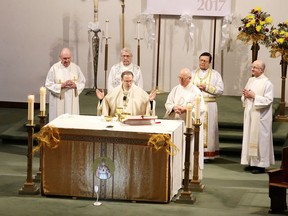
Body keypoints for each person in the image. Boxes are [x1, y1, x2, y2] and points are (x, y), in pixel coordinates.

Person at [164, 68, 206, 180]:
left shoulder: (196, 91)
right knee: (178, 148)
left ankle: (190, 175)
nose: (181, 80)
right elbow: (168, 103)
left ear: (190, 78)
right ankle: (177, 175)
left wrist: (186, 109)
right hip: (177, 124)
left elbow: (201, 109)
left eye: (184, 78)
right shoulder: (176, 89)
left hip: (189, 126)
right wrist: (174, 107)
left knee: (189, 149)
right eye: (180, 78)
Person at [241, 60, 274, 174]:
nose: (252, 69)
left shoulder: (267, 83)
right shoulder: (251, 80)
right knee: (250, 137)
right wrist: (245, 95)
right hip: (250, 114)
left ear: (261, 70)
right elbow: (246, 95)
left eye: (255, 67)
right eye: (252, 67)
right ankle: (252, 162)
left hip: (260, 117)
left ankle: (261, 164)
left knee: (261, 140)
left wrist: (254, 96)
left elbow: (269, 100)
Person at [191, 52, 224, 160]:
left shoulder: (215, 75)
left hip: (209, 105)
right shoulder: (192, 73)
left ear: (210, 62)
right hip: (196, 105)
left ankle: (208, 154)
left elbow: (220, 90)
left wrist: (206, 87)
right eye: (201, 60)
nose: (202, 62)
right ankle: (195, 152)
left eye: (205, 61)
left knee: (210, 130)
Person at [45, 48, 86, 122]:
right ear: (60, 57)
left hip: (72, 100)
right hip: (59, 100)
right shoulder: (54, 68)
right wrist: (61, 86)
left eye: (68, 58)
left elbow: (82, 82)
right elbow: (48, 84)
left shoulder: (76, 68)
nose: (67, 60)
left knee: (72, 120)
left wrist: (75, 85)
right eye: (64, 58)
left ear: (71, 57)